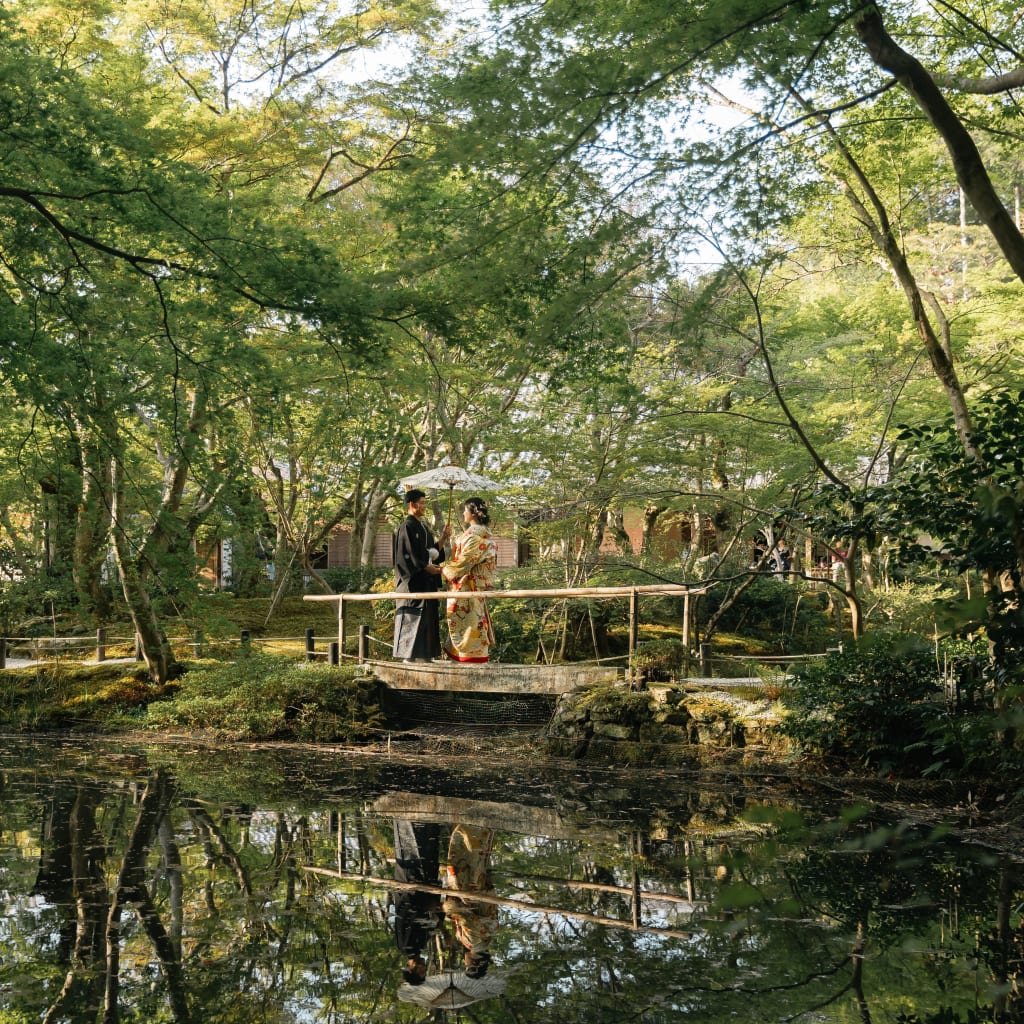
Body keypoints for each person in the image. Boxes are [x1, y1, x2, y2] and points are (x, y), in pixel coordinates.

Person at [394, 489, 451, 662]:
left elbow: (432, 553)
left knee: (429, 617)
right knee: (413, 617)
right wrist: (426, 567)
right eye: (423, 503)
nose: (425, 506)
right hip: (412, 582)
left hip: (426, 581)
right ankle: (408, 656)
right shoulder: (407, 526)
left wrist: (443, 537)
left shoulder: (423, 527)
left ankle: (426, 655)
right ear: (412, 505)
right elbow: (408, 556)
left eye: (425, 503)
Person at [441, 497, 498, 663]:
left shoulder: (474, 537)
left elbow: (463, 563)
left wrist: (443, 568)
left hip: (468, 585)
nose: (464, 513)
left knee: (470, 622)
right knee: (472, 621)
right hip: (474, 585)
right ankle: (464, 656)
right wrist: (451, 540)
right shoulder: (480, 534)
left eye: (466, 510)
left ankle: (471, 659)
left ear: (473, 513)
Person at [392, 820, 445, 986]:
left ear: (410, 968)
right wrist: (442, 924)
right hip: (426, 884)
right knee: (429, 844)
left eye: (420, 970)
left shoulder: (405, 946)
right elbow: (431, 923)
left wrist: (426, 908)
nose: (423, 966)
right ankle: (429, 819)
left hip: (411, 881)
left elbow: (404, 914)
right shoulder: (421, 945)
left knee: (408, 841)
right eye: (425, 970)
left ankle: (409, 816)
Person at [443, 823, 498, 978]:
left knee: (477, 859)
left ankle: (479, 830)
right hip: (467, 891)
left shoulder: (487, 940)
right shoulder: (474, 943)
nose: (464, 961)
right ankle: (470, 827)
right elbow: (465, 919)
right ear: (473, 963)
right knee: (466, 857)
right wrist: (448, 912)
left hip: (478, 892)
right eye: (467, 965)